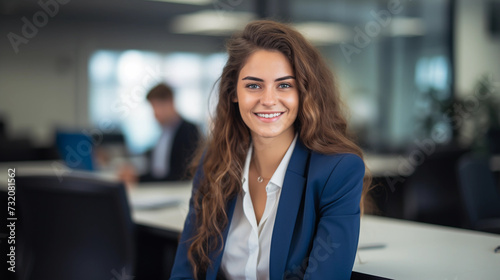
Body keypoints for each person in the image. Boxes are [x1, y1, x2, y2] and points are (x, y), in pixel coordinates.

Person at [170, 20, 372, 280]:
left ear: (304, 92)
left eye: (284, 85)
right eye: (253, 85)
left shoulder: (338, 171)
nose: (268, 100)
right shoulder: (215, 162)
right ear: (234, 92)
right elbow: (185, 272)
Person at [119, 83, 200, 183]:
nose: (155, 114)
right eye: (153, 108)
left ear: (170, 102)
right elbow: (156, 170)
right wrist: (135, 176)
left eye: (157, 107)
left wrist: (139, 179)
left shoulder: (189, 130)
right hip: (160, 190)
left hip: (176, 191)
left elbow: (182, 175)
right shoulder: (164, 133)